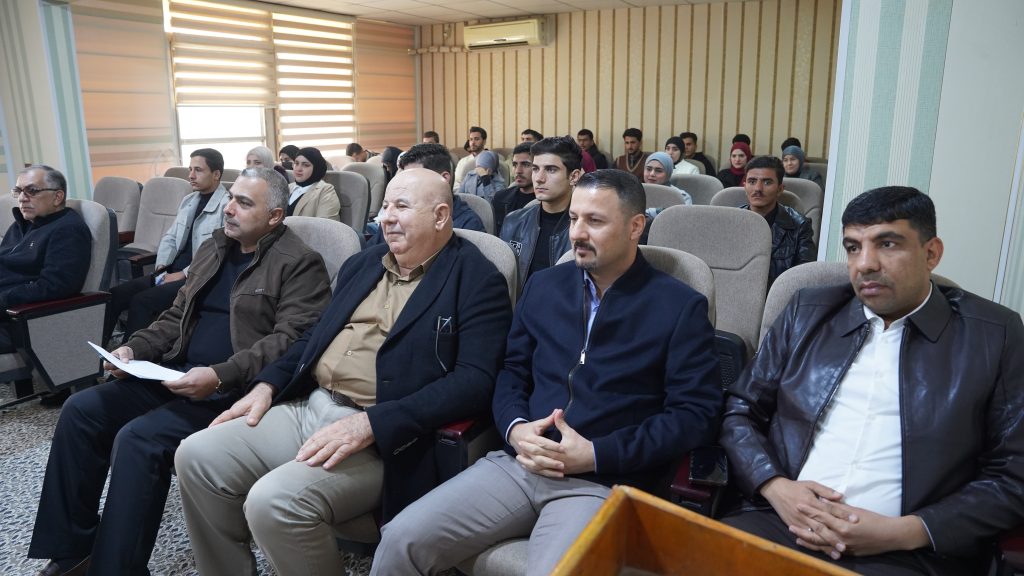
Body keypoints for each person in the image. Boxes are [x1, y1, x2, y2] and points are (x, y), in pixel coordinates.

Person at [370, 169, 723, 576]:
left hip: (600, 480)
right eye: (573, 219)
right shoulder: (544, 286)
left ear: (635, 227)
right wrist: (515, 428)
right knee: (400, 538)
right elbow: (511, 371)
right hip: (519, 462)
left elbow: (695, 415)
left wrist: (597, 453)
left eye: (595, 221)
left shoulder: (678, 307)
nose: (577, 233)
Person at [173, 168, 513, 576]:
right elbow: (314, 336)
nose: (387, 217)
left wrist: (372, 423)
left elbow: (474, 381)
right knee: (196, 455)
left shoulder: (476, 279)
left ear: (440, 216)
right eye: (385, 205)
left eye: (402, 207)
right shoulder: (364, 263)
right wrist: (267, 384)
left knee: (274, 502)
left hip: (386, 436)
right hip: (310, 405)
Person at [28, 167, 332, 576]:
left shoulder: (299, 263)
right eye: (231, 198)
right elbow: (176, 315)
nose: (229, 208)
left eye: (244, 203)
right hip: (175, 372)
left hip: (231, 390)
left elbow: (290, 342)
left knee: (139, 439)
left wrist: (220, 374)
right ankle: (73, 552)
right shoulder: (215, 246)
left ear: (275, 216)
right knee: (82, 410)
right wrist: (135, 348)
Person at [719, 186, 1024, 576]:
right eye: (853, 247)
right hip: (779, 522)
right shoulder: (807, 312)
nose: (865, 264)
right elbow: (740, 410)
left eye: (887, 244)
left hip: (907, 554)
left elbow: (1014, 473)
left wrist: (907, 532)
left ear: (931, 253)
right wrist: (774, 486)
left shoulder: (994, 335)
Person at [103, 148, 229, 345]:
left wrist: (181, 275)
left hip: (196, 279)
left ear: (216, 174)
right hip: (169, 272)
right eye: (190, 169)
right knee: (116, 295)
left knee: (141, 302)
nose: (191, 175)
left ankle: (128, 356)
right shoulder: (189, 200)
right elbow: (170, 237)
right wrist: (161, 265)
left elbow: (216, 254)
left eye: (198, 170)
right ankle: (95, 357)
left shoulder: (226, 206)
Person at [1, 165, 91, 354]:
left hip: (19, 322)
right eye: (18, 191)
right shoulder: (23, 224)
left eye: (32, 191)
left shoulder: (67, 230)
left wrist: (4, 299)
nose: (22, 198)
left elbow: (55, 286)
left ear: (57, 197)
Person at [501, 135, 582, 291]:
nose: (539, 178)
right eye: (535, 169)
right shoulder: (513, 221)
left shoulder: (587, 229)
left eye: (551, 170)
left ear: (573, 176)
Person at [366, 143, 485, 244]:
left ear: (443, 179)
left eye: (414, 179)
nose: (405, 186)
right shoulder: (392, 218)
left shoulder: (468, 225)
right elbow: (371, 255)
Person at [741, 155, 815, 286]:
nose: (758, 188)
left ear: (780, 189)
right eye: (752, 181)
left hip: (780, 294)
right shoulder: (731, 221)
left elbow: (805, 277)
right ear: (745, 186)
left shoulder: (800, 225)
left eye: (767, 182)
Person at [491, 142, 535, 234]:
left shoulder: (546, 202)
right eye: (515, 165)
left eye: (526, 164)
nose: (518, 171)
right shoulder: (500, 198)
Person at [287, 147, 341, 220]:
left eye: (305, 165)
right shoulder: (287, 187)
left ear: (316, 168)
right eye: (296, 163)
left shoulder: (326, 191)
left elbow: (325, 225)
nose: (298, 169)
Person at [453, 126, 488, 192]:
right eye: (471, 139)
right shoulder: (462, 161)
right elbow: (456, 182)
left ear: (484, 141)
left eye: (476, 139)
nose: (473, 142)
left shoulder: (490, 161)